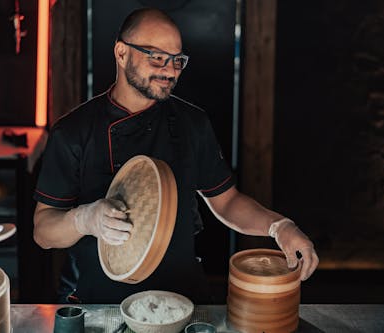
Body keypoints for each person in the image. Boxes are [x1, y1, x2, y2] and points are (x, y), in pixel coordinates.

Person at [33, 7, 319, 304]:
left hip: (181, 297)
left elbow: (228, 201)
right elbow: (43, 231)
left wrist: (279, 227)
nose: (169, 70)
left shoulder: (192, 123)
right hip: (98, 301)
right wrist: (84, 220)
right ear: (121, 53)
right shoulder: (73, 132)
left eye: (177, 60)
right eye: (156, 56)